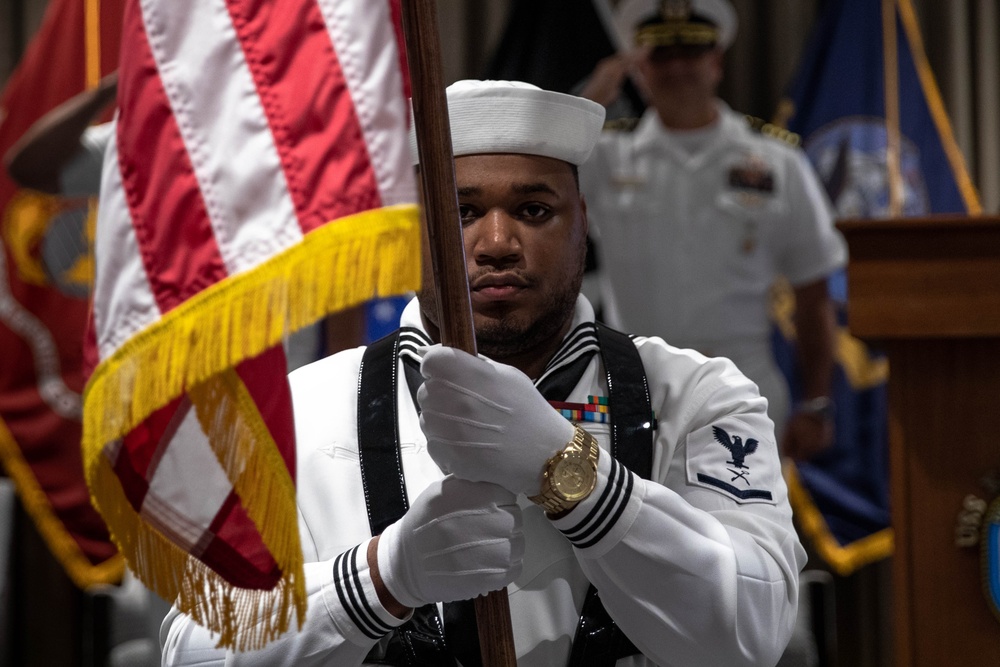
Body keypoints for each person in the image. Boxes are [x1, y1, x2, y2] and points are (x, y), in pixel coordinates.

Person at [160, 79, 805, 666]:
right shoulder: (299, 413)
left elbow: (750, 635)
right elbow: (190, 649)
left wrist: (568, 472)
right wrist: (383, 579)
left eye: (533, 210)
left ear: (584, 220)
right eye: (461, 213)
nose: (496, 243)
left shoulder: (694, 397)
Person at [578, 0, 847, 461]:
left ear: (717, 61)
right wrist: (589, 100)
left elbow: (812, 289)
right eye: (661, 55)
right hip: (635, 386)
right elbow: (536, 168)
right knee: (630, 530)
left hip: (741, 387)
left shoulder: (777, 162)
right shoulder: (605, 158)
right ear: (638, 68)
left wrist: (817, 401)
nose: (677, 68)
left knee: (743, 531)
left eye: (692, 53)